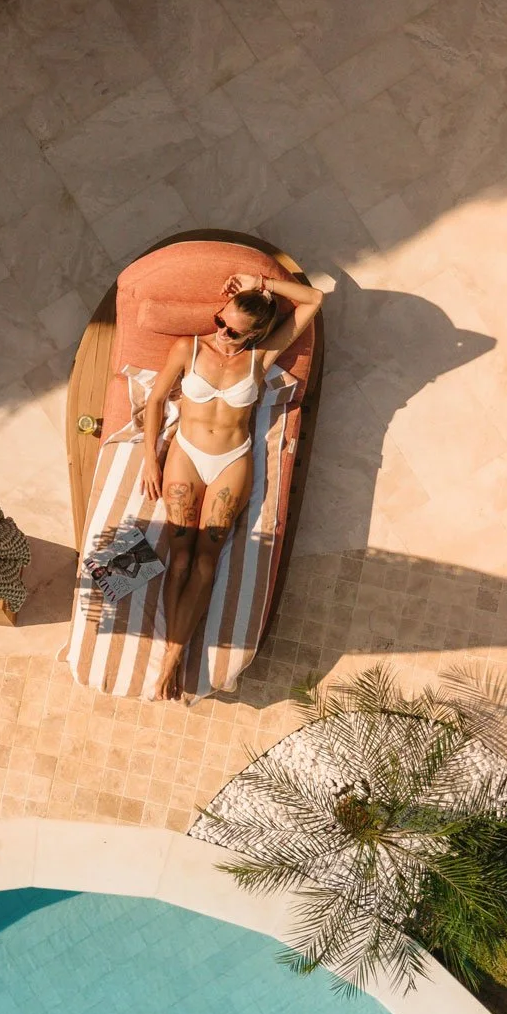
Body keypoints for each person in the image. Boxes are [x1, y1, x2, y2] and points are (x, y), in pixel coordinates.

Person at [141, 266, 325, 702]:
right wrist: (151, 457)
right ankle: (174, 661)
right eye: (221, 322)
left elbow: (313, 300)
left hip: (231, 462)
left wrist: (262, 284)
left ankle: (171, 660)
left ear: (255, 335)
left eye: (235, 332)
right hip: (186, 455)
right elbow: (154, 401)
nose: (223, 334)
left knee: (206, 561)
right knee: (180, 559)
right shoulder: (187, 348)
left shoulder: (260, 359)